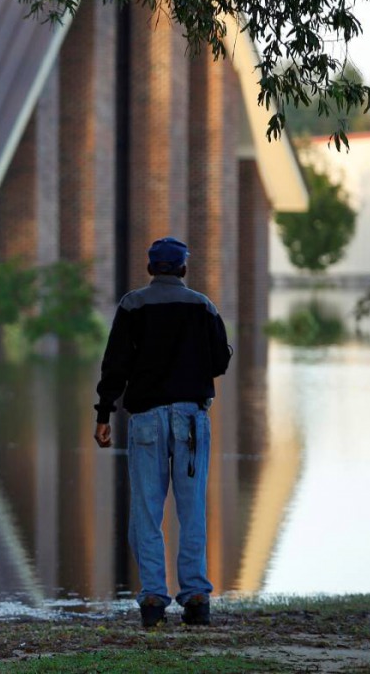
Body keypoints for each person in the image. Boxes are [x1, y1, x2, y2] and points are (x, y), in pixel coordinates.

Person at [93, 237, 232, 629]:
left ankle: (154, 598)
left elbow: (114, 364)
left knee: (147, 511)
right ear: (184, 268)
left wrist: (104, 413)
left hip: (147, 420)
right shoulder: (204, 306)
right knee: (192, 512)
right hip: (191, 419)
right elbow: (219, 361)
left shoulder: (132, 304)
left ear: (151, 268)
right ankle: (196, 598)